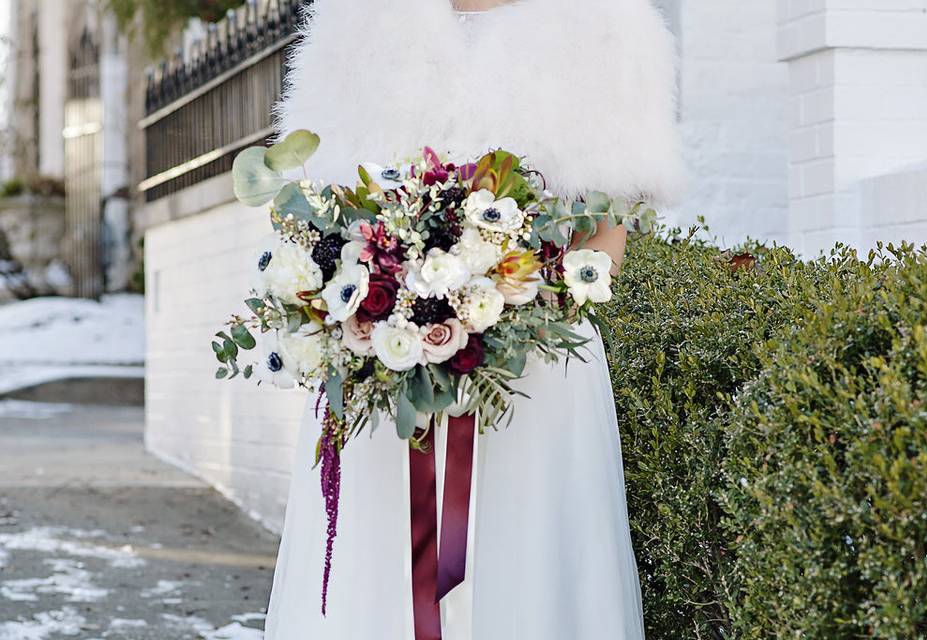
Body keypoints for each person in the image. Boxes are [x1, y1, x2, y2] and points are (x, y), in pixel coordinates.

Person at [265, 0, 684, 637]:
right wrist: (374, 301)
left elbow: (605, 240)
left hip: (534, 371)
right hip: (383, 374)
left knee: (525, 566)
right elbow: (325, 219)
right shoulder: (356, 24)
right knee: (376, 575)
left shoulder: (605, 26)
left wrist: (507, 310)